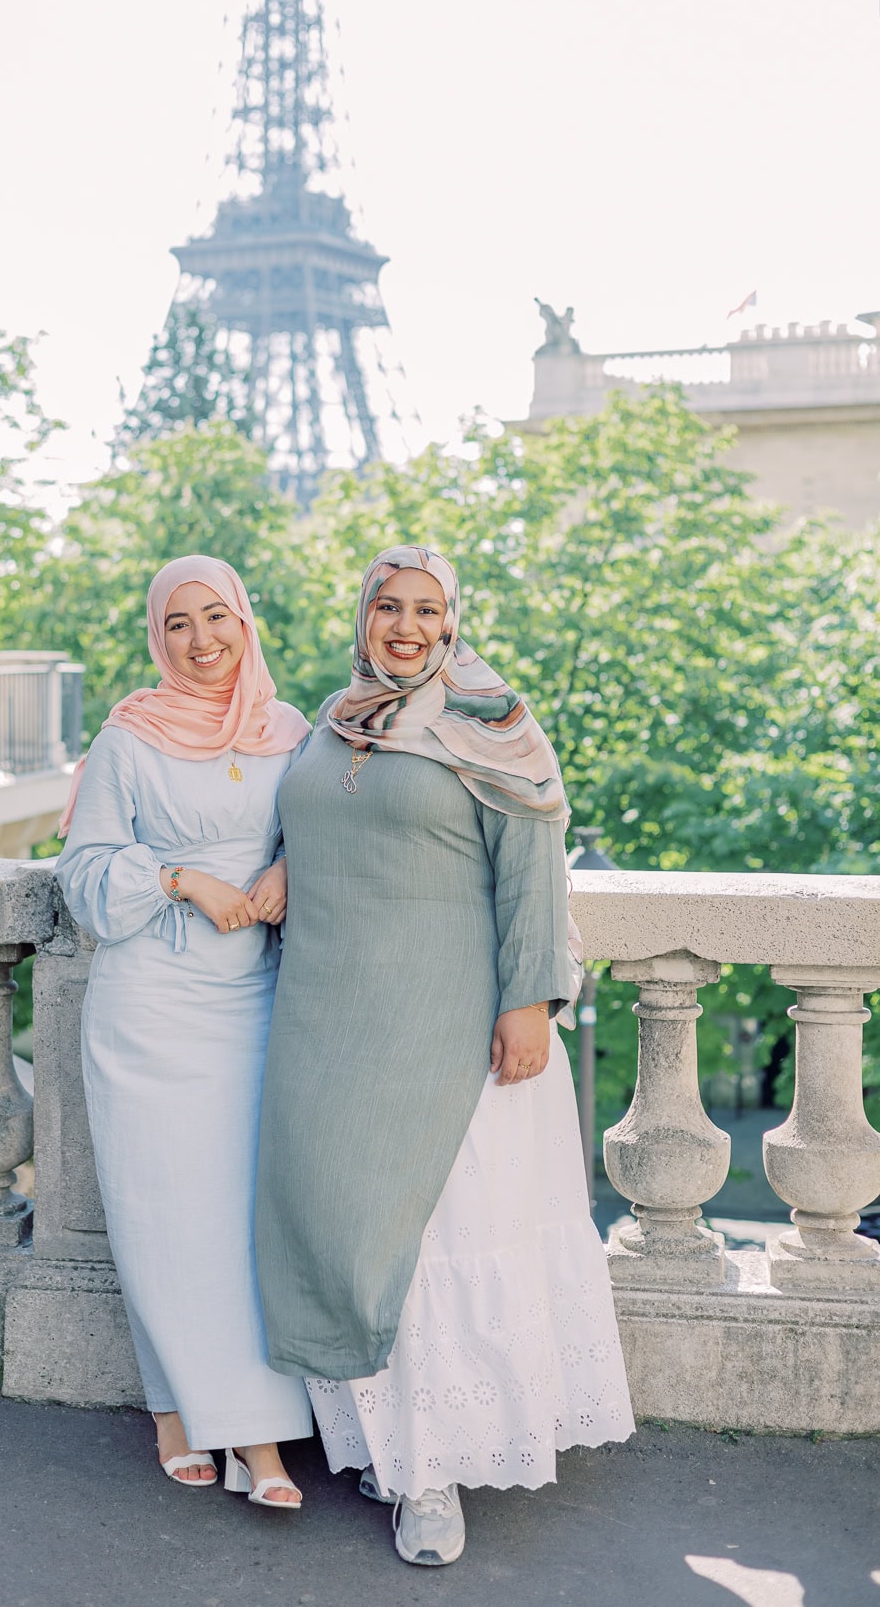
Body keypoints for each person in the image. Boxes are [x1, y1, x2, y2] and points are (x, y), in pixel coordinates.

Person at [255, 544, 634, 1565]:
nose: (407, 627)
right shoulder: (338, 723)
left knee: (431, 1246)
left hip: (452, 1029)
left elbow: (533, 871)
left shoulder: (491, 723)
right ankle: (386, 1444)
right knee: (348, 1232)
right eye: (389, 605)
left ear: (454, 622)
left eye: (428, 609)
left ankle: (435, 1479)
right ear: (363, 615)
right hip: (329, 1025)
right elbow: (323, 827)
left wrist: (528, 1001)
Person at [57, 555, 312, 1509]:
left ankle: (225, 1421)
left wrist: (289, 862)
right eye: (178, 625)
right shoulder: (129, 737)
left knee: (241, 1218)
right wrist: (177, 877)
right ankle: (216, 1425)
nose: (202, 641)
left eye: (218, 618)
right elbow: (82, 874)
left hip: (253, 1000)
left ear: (247, 622)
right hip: (152, 1003)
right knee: (166, 1214)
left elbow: (322, 825)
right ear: (156, 638)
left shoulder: (291, 732)